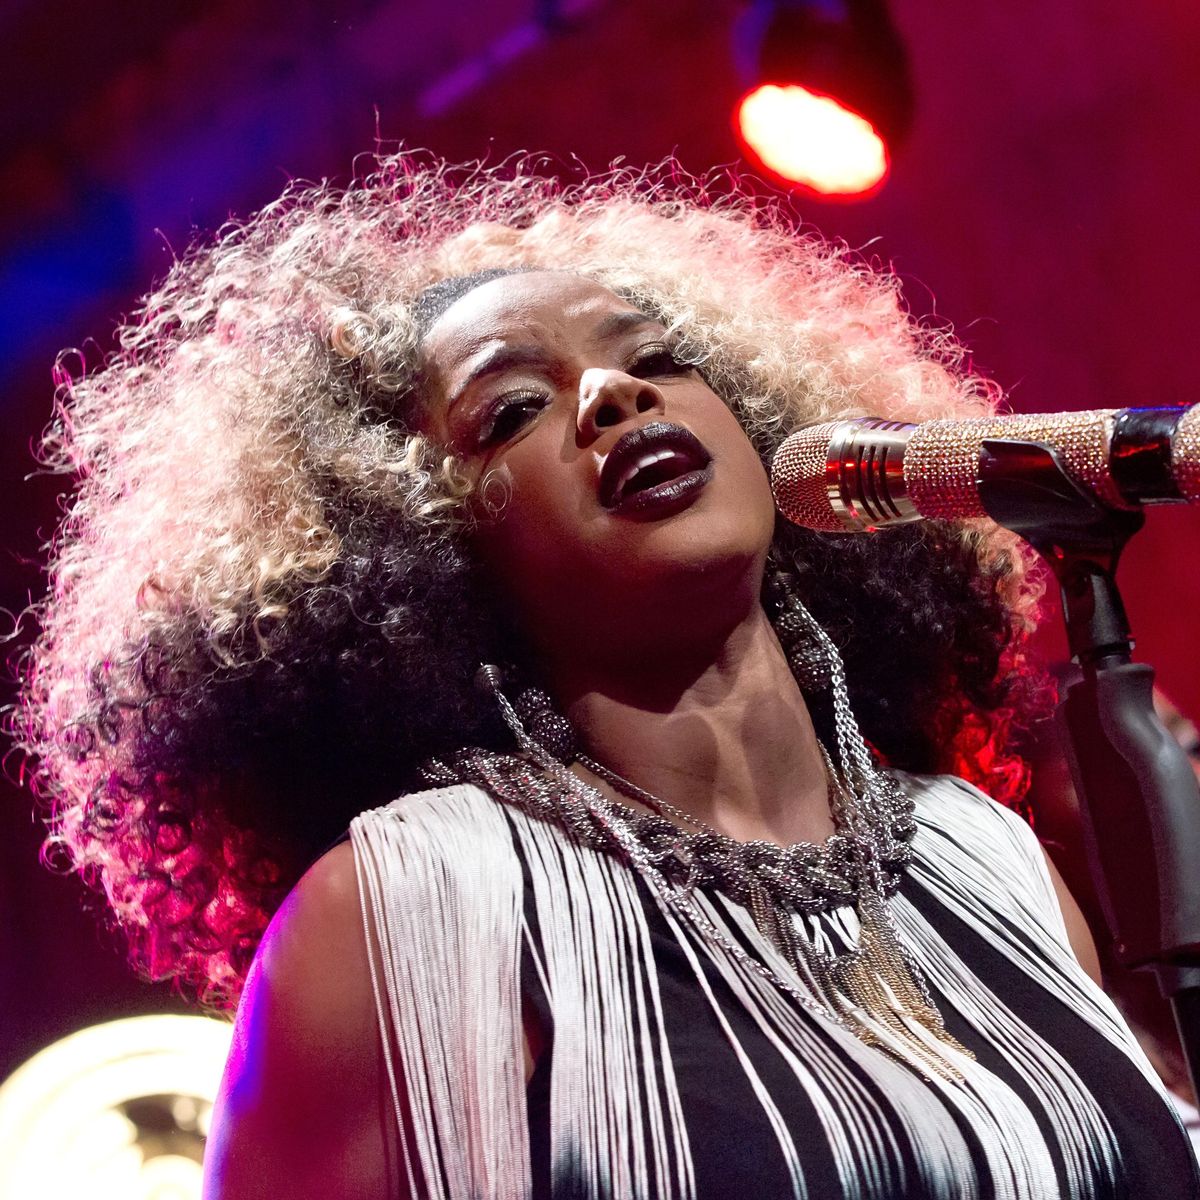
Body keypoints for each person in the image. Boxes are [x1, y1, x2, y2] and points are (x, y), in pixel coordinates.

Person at [17, 154, 1199, 1198]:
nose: (615, 396)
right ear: (419, 544)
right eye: (512, 409)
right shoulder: (400, 915)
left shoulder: (985, 857)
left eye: (658, 359)